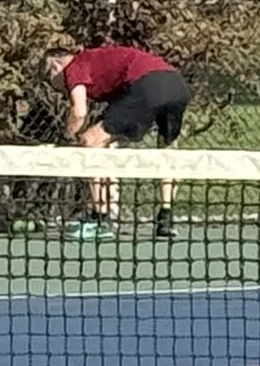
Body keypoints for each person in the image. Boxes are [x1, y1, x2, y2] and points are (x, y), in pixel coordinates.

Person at [43, 40, 191, 238]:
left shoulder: (74, 66)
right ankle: (166, 217)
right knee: (167, 150)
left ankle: (100, 219)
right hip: (177, 86)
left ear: (55, 67)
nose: (56, 90)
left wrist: (65, 138)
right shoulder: (96, 61)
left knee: (90, 142)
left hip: (147, 84)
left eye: (49, 79)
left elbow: (79, 112)